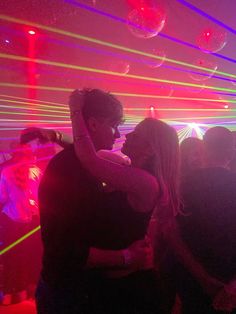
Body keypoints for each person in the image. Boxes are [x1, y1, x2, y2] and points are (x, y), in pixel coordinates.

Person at [36, 88, 152, 314]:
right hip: (67, 292)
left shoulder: (88, 164)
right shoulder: (69, 170)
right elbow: (63, 249)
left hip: (80, 289)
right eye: (114, 125)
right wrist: (127, 257)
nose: (118, 135)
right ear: (94, 124)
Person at [67, 89, 180, 313]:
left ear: (149, 149)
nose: (126, 135)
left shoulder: (146, 182)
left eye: (135, 134)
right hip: (115, 285)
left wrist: (75, 110)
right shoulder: (130, 173)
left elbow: (89, 159)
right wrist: (56, 137)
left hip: (129, 291)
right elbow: (86, 154)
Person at [177, 126, 236, 313]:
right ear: (231, 150)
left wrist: (201, 277)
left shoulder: (181, 184)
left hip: (191, 274)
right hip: (229, 273)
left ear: (204, 149)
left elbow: (172, 232)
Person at [0, 142, 41, 304]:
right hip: (32, 221)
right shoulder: (37, 172)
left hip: (11, 219)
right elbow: (41, 196)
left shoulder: (6, 172)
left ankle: (9, 292)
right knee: (28, 255)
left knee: (11, 256)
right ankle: (25, 290)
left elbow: (2, 198)